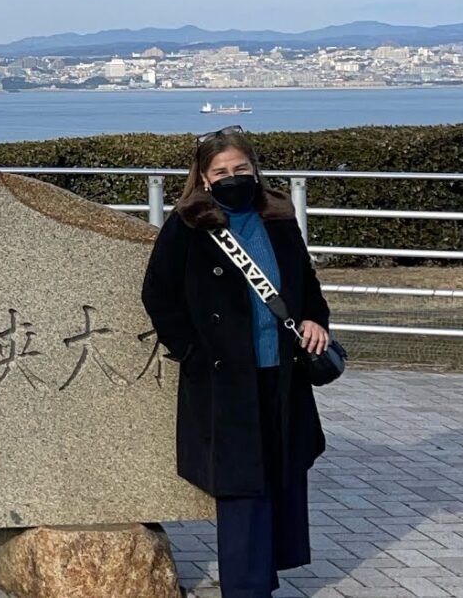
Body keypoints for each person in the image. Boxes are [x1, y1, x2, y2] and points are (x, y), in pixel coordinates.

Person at [141, 125, 331, 598]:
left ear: (254, 169)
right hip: (224, 376)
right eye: (220, 171)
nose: (231, 177)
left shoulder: (279, 219)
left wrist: (315, 319)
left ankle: (265, 574)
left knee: (283, 471)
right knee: (242, 484)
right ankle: (247, 587)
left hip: (282, 370)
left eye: (240, 168)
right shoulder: (187, 225)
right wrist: (192, 351)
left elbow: (305, 281)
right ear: (204, 178)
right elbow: (158, 292)